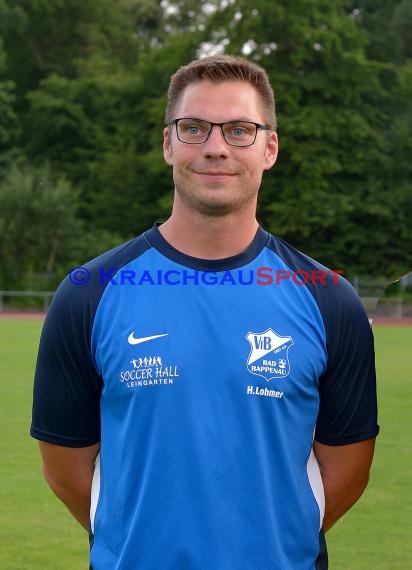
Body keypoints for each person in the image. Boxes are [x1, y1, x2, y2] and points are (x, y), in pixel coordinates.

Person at [31, 55, 379, 570]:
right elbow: (65, 468)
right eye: (194, 128)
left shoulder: (329, 299)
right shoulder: (88, 293)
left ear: (270, 148)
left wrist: (265, 541)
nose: (215, 147)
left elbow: (347, 470)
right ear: (168, 142)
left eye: (240, 130)